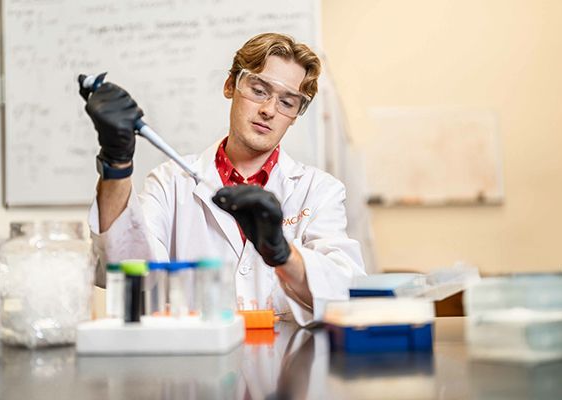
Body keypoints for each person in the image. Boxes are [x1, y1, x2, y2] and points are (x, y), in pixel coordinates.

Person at [82, 33, 365, 326]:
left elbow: (347, 291)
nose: (269, 110)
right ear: (230, 85)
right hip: (195, 363)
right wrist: (117, 162)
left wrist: (283, 254)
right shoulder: (170, 182)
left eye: (287, 102)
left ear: (295, 115)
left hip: (286, 364)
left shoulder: (319, 191)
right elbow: (127, 270)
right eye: (258, 90)